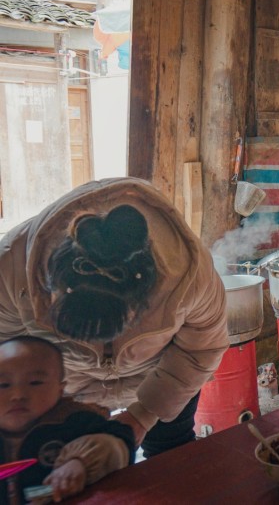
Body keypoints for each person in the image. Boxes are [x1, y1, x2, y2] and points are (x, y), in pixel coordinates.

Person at [0, 178, 229, 458]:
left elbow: (201, 348)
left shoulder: (190, 277)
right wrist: (44, 401)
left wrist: (142, 415)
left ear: (143, 295)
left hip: (162, 375)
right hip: (65, 386)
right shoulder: (13, 267)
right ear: (54, 286)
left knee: (172, 461)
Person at [0, 336, 135, 503]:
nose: (18, 395)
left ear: (60, 389)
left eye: (35, 383)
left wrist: (81, 462)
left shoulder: (76, 420)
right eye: (3, 385)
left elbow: (119, 445)